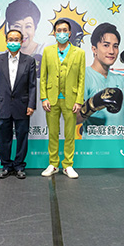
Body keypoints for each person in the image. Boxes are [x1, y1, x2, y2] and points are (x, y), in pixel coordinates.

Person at [40, 19, 85, 179]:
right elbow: (43, 77)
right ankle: (53, 164)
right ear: (54, 33)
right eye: (58, 30)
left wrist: (79, 100)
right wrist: (44, 97)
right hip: (51, 99)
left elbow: (81, 79)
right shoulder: (48, 51)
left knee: (69, 134)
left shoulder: (79, 53)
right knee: (53, 133)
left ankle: (68, 165)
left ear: (70, 33)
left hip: (71, 100)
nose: (62, 33)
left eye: (65, 30)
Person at [0, 29, 37, 179]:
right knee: (4, 137)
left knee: (22, 137)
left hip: (22, 105)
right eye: (11, 39)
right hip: (2, 105)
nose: (13, 42)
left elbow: (32, 86)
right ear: (6, 41)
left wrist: (31, 105)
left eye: (16, 40)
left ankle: (19, 166)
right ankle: (6, 165)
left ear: (21, 42)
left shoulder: (29, 61)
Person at [76, 23, 124, 139]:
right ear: (94, 49)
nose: (111, 51)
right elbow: (73, 119)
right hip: (93, 148)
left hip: (118, 148)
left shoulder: (122, 81)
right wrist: (92, 105)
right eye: (106, 45)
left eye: (115, 46)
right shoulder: (83, 77)